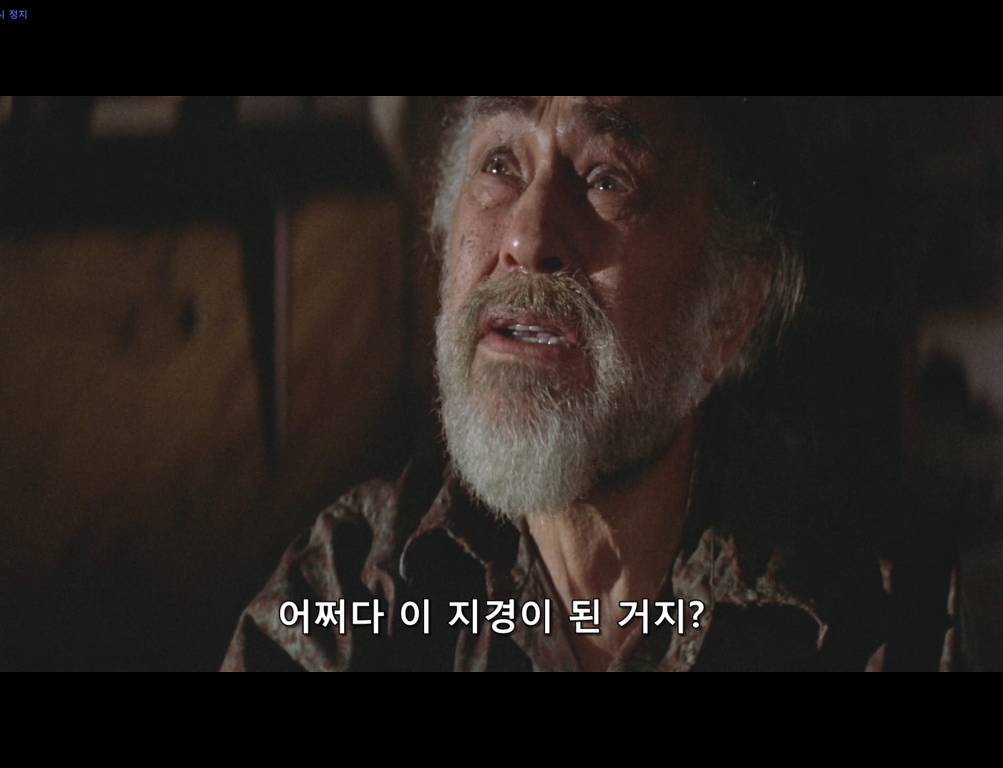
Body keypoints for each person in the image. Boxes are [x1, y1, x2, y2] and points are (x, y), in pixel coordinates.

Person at [222, 96, 888, 671]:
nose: (527, 235)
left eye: (606, 179)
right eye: (499, 165)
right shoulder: (353, 597)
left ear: (732, 308)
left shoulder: (873, 619)